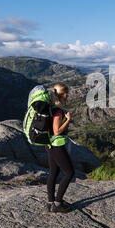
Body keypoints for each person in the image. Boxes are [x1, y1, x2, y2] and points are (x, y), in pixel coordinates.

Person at [45, 83, 75, 213]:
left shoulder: (50, 108)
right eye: (66, 93)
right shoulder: (58, 111)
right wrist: (67, 120)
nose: (67, 96)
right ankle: (57, 204)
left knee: (54, 172)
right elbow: (57, 131)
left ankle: (50, 202)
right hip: (57, 145)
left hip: (49, 144)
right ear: (64, 95)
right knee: (69, 173)